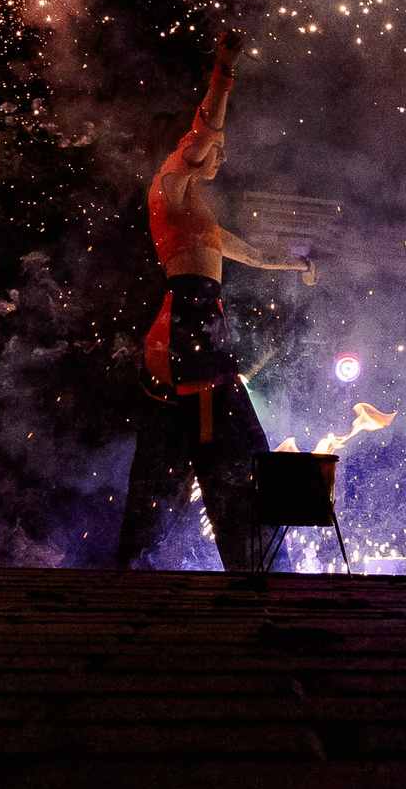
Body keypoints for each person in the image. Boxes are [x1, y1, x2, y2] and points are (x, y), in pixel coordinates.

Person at [117, 30, 316, 571]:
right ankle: (253, 563)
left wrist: (298, 266)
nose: (220, 157)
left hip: (201, 328)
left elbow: (251, 254)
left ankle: (161, 560)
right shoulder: (169, 188)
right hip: (186, 327)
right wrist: (224, 72)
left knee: (184, 449)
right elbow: (204, 132)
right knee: (233, 445)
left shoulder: (199, 215)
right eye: (216, 152)